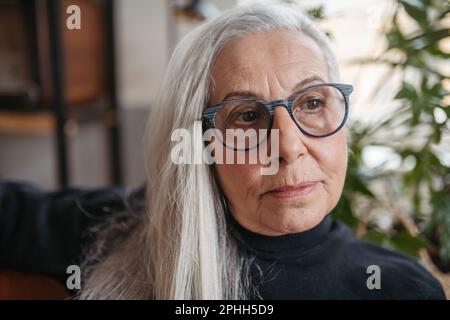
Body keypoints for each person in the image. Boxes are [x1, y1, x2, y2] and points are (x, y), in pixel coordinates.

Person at [1, 3, 445, 300]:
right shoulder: (124, 227)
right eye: (248, 117)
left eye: (312, 103)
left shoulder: (400, 288)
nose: (288, 148)